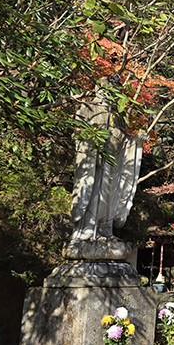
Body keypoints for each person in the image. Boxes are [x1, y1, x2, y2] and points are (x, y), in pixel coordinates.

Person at [66, 86, 145, 261]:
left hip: (112, 166)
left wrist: (136, 141)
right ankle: (87, 231)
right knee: (94, 195)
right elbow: (79, 134)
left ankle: (105, 230)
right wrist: (94, 147)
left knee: (109, 198)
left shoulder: (118, 117)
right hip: (95, 165)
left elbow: (124, 142)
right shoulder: (88, 109)